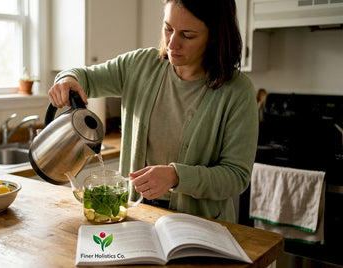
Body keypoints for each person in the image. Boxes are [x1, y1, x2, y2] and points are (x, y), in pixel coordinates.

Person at [48, 0, 258, 223]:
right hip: (137, 216)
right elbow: (85, 76)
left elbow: (236, 176)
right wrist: (67, 79)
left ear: (215, 36)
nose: (172, 43)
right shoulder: (140, 65)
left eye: (187, 35)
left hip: (200, 225)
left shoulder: (237, 91)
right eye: (168, 28)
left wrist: (177, 176)